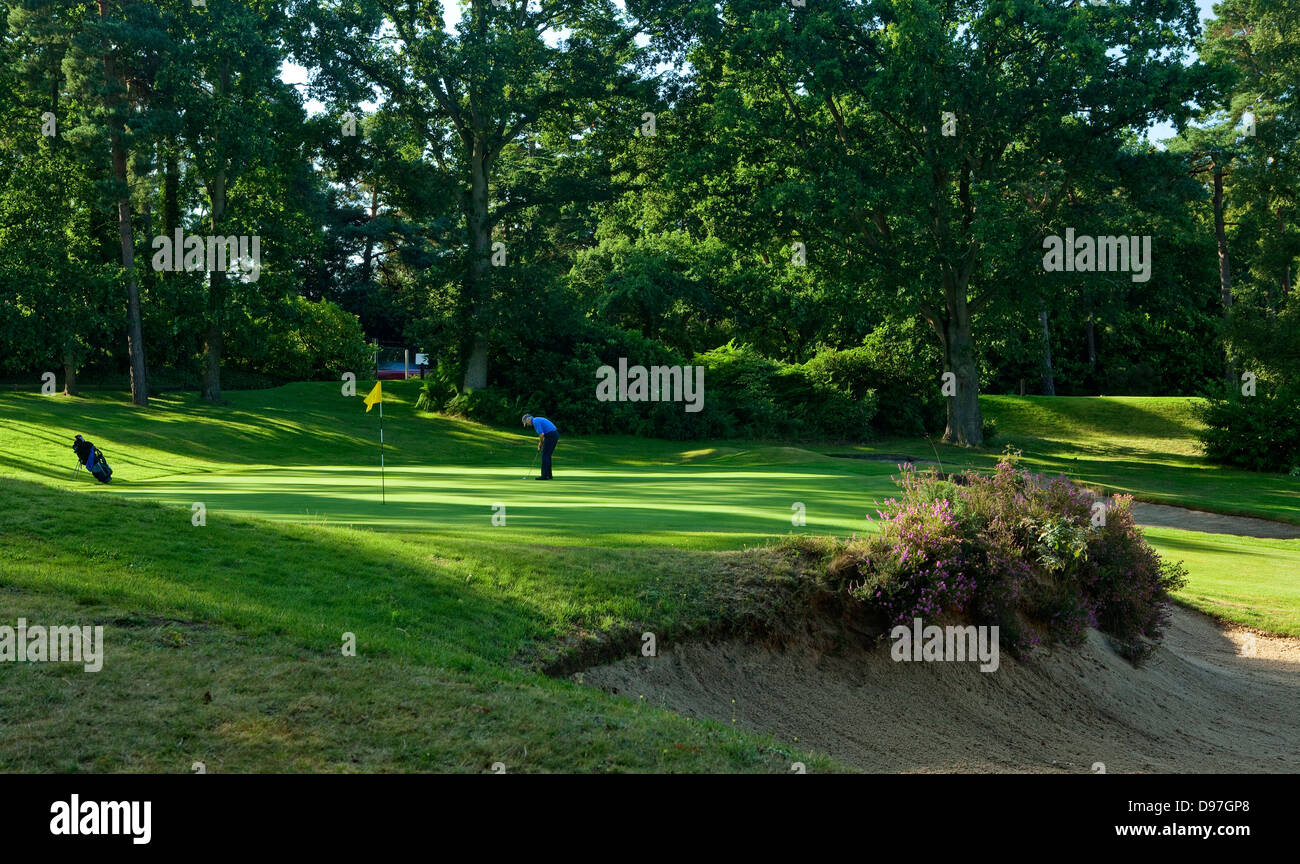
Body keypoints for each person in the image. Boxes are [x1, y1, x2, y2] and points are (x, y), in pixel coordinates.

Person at [522, 414, 557, 480]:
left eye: (526, 423)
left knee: (545, 455)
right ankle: (549, 475)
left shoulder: (535, 422)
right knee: (547, 455)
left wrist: (540, 444)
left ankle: (544, 476)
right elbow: (543, 435)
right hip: (553, 434)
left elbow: (541, 435)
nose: (527, 425)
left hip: (551, 435)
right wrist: (540, 444)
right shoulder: (536, 419)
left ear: (528, 419)